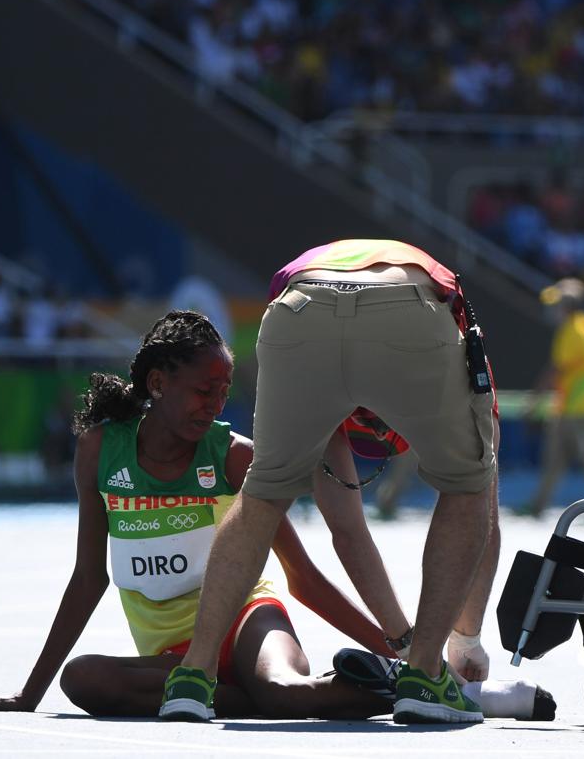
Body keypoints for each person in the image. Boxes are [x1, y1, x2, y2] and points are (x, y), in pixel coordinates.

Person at [0, 311, 390, 720]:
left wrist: (407, 656)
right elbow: (88, 578)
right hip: (171, 654)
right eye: (202, 391)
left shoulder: (234, 458)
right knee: (82, 679)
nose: (215, 405)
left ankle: (397, 683)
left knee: (285, 691)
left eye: (223, 392)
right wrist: (28, 696)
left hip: (248, 623)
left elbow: (303, 576)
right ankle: (244, 694)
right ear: (157, 383)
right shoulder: (99, 451)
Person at [161, 240, 499, 725]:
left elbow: (348, 530)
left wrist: (400, 639)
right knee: (468, 484)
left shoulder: (334, 407)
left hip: (298, 313)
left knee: (263, 493)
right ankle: (426, 680)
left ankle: (193, 677)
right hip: (407, 308)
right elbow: (479, 503)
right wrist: (456, 642)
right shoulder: (465, 349)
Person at [525, 278, 584, 515]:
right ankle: (538, 506)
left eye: (555, 305)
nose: (552, 310)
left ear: (564, 307)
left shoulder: (571, 331)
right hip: (577, 405)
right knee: (558, 457)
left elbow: (556, 370)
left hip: (579, 408)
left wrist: (535, 398)